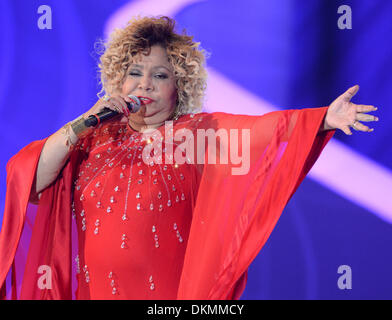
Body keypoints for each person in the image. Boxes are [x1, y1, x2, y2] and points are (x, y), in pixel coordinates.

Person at [0, 16, 378, 300]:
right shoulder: (90, 139)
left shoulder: (199, 132)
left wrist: (324, 117)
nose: (145, 83)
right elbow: (30, 175)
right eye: (134, 72)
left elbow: (267, 130)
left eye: (160, 75)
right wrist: (84, 122)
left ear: (178, 87)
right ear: (118, 79)